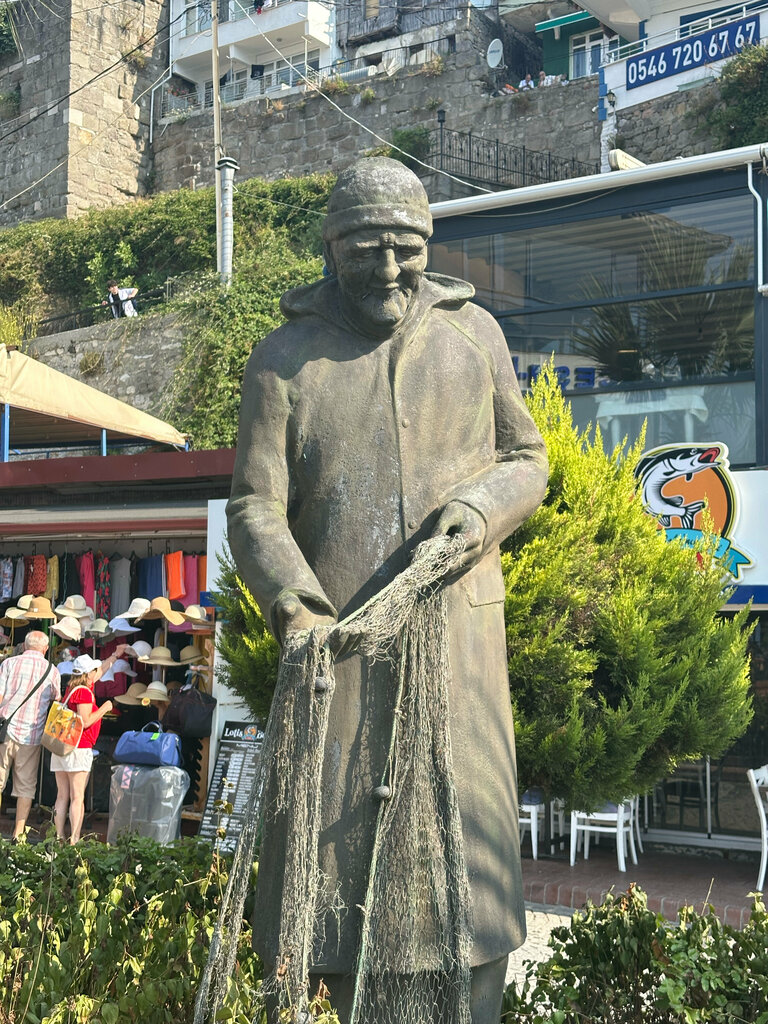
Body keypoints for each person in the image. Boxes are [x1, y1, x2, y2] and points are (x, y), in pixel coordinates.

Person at [227, 157, 549, 1023]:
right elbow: (255, 504)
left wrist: (476, 516)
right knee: (331, 890)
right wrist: (295, 604)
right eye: (368, 250)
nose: (391, 269)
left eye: (407, 248)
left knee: (466, 896)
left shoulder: (475, 334)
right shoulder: (283, 358)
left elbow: (527, 458)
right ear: (331, 247)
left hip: (460, 647)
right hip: (339, 658)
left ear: (428, 245)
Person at [52, 648, 128, 843]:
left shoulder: (72, 688)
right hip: (78, 747)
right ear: (87, 675)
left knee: (62, 796)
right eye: (93, 671)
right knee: (77, 797)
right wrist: (105, 708)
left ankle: (59, 837)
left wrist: (116, 654)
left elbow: (101, 669)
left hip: (62, 746)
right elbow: (85, 721)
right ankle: (74, 840)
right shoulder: (85, 693)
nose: (97, 673)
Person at [0, 631, 61, 840]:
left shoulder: (8, 664)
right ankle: (18, 834)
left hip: (5, 730)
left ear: (25, 646)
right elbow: (57, 701)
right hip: (32, 735)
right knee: (25, 786)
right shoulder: (52, 671)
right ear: (45, 649)